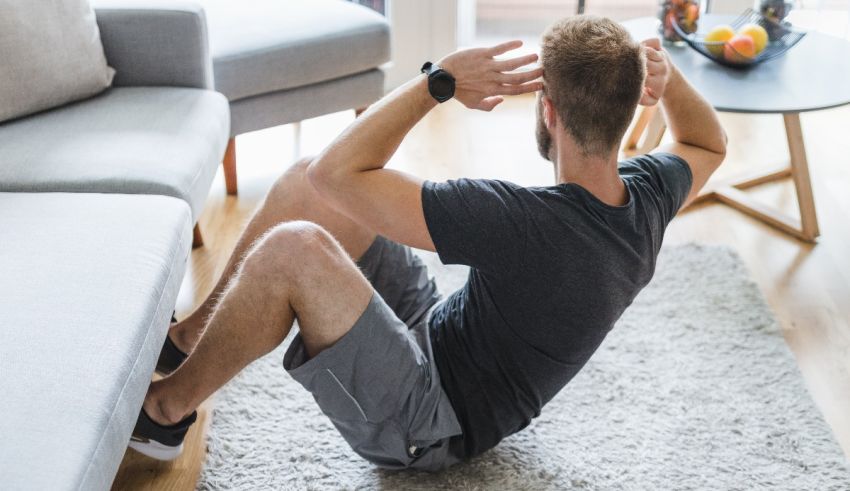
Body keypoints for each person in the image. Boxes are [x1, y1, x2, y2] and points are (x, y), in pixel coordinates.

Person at [129, 15, 726, 470]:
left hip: (430, 423)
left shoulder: (521, 223)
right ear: (628, 110)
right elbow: (707, 143)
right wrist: (670, 81)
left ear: (547, 111)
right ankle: (189, 340)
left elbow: (339, 172)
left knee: (296, 248)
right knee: (310, 192)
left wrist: (437, 83)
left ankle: (163, 415)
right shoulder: (649, 197)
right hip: (439, 332)